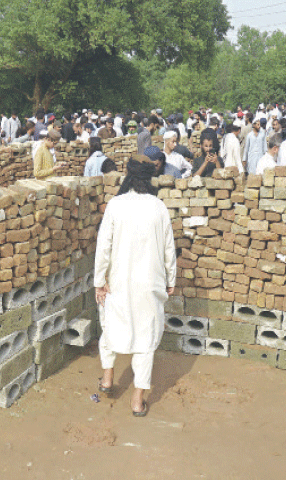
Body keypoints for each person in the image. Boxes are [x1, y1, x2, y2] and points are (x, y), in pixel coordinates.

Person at [94, 156, 176, 417]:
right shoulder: (158, 207)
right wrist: (171, 279)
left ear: (128, 177)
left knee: (109, 326)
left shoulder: (115, 206)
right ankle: (137, 401)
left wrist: (99, 282)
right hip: (149, 285)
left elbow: (103, 247)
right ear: (149, 179)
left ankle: (108, 380)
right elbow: (168, 250)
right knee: (145, 339)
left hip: (117, 282)